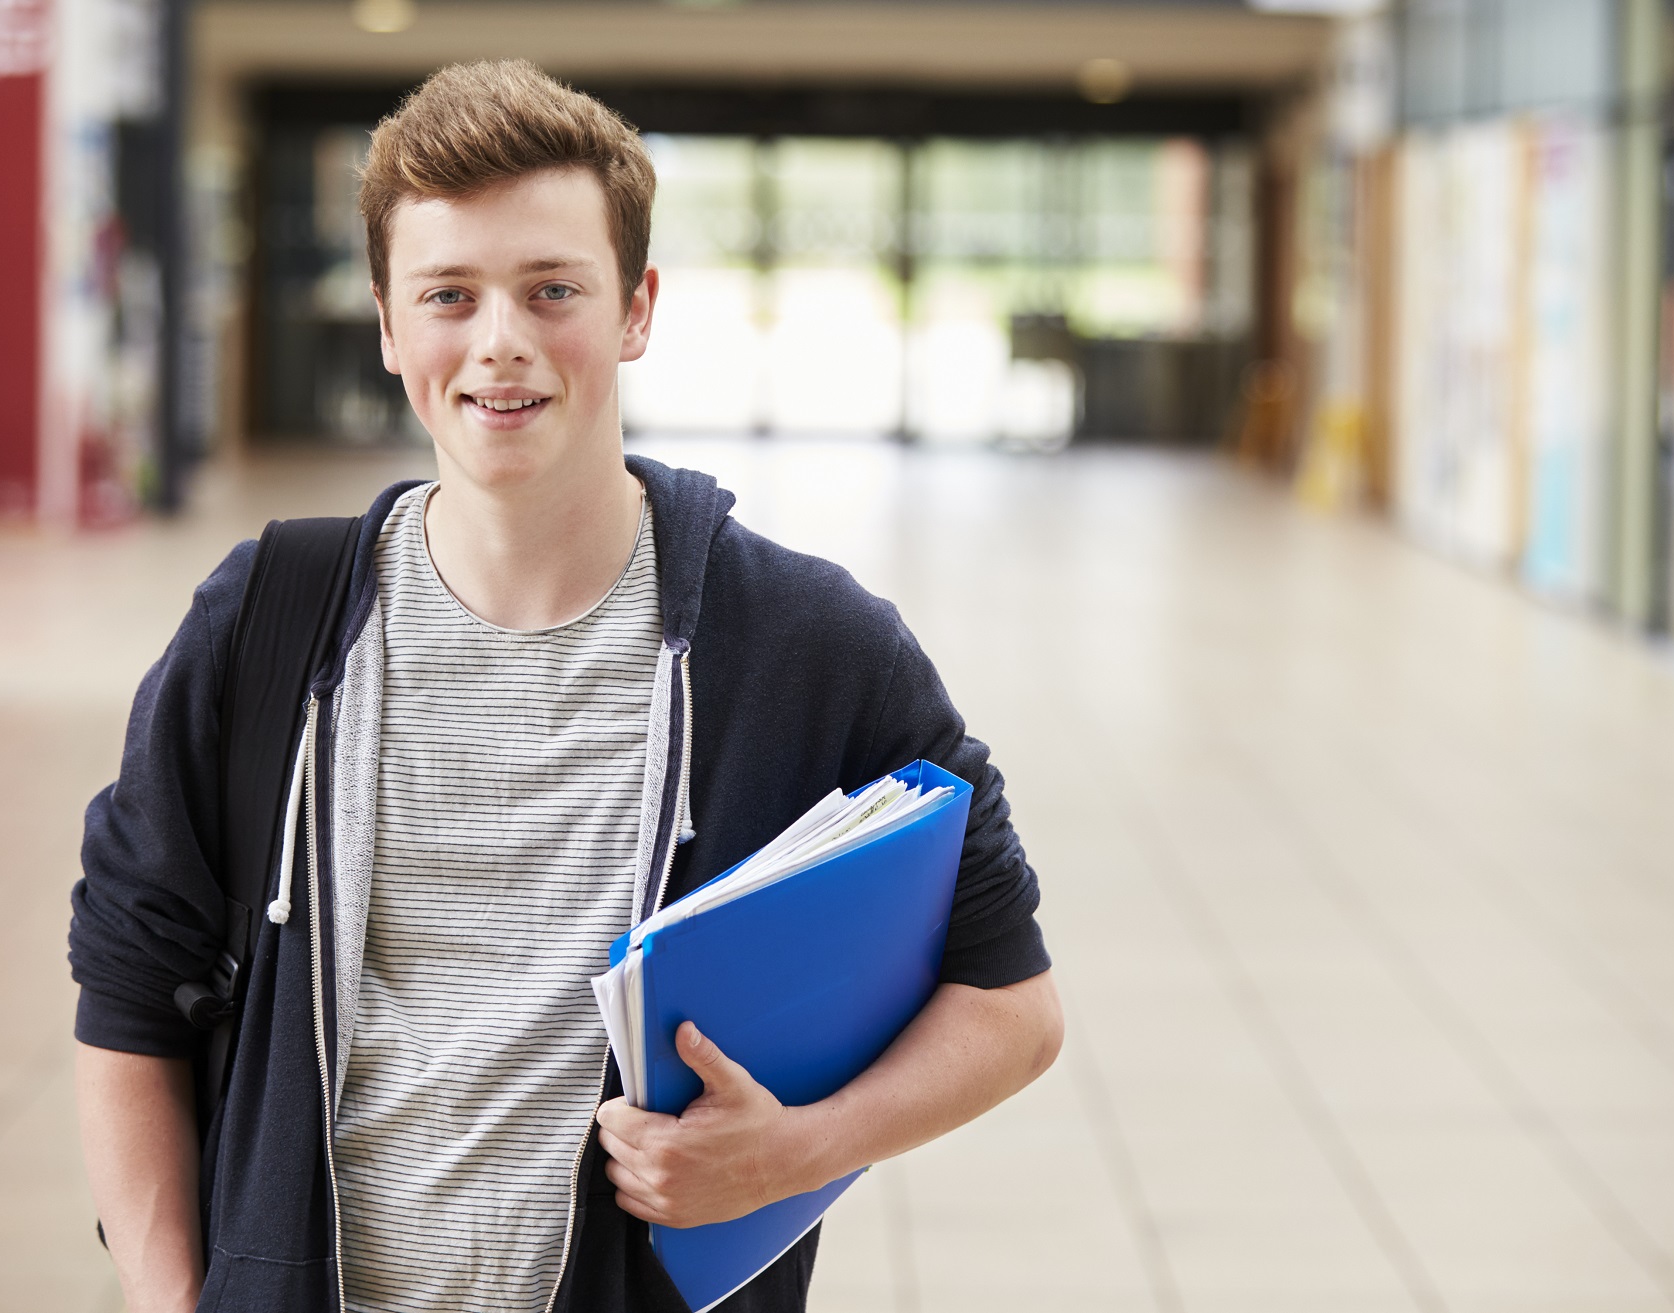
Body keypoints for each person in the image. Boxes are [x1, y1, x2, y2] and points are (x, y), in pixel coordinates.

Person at [68, 59, 1061, 1313]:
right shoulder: (265, 624)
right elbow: (127, 993)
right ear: (386, 320)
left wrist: (798, 1148)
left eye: (552, 290)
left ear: (635, 308)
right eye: (448, 294)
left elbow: (1012, 1000)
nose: (501, 344)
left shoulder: (805, 645)